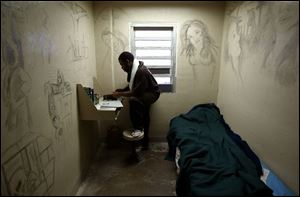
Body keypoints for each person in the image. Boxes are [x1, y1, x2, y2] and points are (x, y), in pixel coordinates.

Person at [112, 51, 160, 150]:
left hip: (152, 93)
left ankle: (138, 129)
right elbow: (132, 85)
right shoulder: (133, 69)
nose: (122, 67)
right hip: (145, 91)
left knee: (133, 100)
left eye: (122, 65)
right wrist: (121, 90)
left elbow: (135, 92)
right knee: (145, 113)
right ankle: (144, 141)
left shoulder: (141, 71)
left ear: (128, 61)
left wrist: (119, 94)